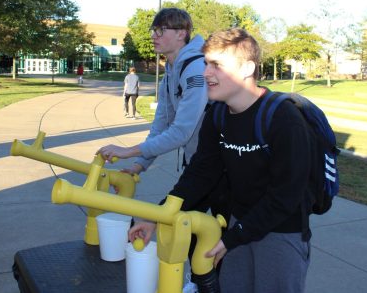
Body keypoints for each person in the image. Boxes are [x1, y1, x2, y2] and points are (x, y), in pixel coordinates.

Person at [128, 28, 314, 293]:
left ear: (247, 67)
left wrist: (233, 238)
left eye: (216, 65)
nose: (206, 73)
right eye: (206, 63)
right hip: (238, 228)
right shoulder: (217, 115)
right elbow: (199, 175)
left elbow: (286, 196)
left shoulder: (284, 119)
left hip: (281, 233)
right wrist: (157, 217)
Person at [97, 8, 208, 175]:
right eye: (154, 30)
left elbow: (181, 132)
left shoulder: (196, 69)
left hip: (219, 166)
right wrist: (137, 167)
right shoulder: (170, 73)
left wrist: (127, 151)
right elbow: (160, 126)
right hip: (196, 162)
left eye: (161, 30)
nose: (153, 36)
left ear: (181, 34)